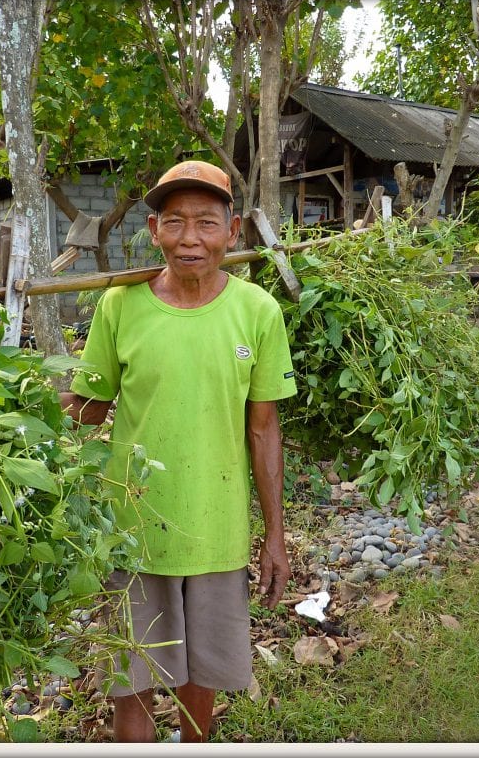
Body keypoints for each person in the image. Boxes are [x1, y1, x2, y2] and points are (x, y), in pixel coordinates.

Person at [59, 159, 297, 742]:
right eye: (175, 222)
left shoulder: (257, 312)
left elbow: (264, 431)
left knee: (203, 678)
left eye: (206, 224)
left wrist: (274, 535)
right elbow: (88, 407)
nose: (190, 239)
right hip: (134, 526)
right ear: (153, 229)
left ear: (232, 230)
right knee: (132, 678)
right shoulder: (121, 304)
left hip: (216, 532)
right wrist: (8, 404)